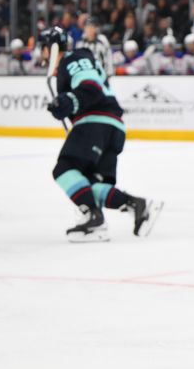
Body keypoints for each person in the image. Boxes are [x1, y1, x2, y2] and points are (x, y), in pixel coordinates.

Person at [39, 26, 162, 242]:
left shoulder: (73, 58)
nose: (41, 54)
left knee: (64, 170)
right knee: (88, 184)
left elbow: (91, 87)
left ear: (51, 48)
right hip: (109, 127)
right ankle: (137, 205)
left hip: (95, 123)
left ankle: (94, 220)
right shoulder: (70, 65)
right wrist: (64, 106)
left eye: (43, 48)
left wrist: (69, 101)